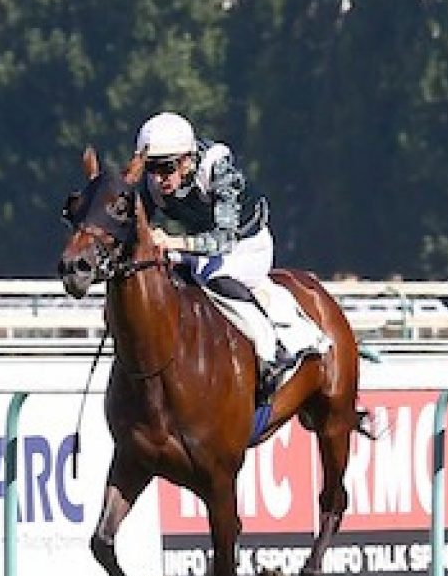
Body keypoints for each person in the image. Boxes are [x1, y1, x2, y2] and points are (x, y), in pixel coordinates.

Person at [135, 111, 328, 399]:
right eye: (151, 169)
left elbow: (223, 240)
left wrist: (174, 242)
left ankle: (272, 351)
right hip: (201, 249)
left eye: (167, 168)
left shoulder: (218, 168)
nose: (159, 178)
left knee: (216, 278)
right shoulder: (153, 185)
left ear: (187, 160)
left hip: (247, 246)